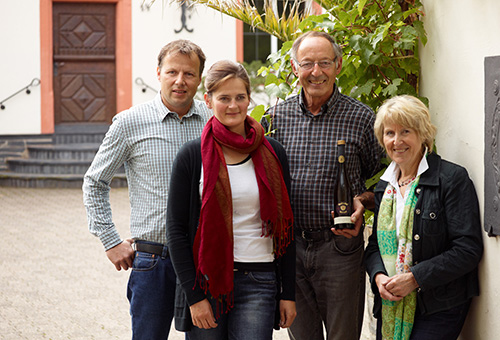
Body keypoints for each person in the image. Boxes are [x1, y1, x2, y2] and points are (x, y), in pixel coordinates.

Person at [83, 39, 211, 340]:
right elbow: (95, 182)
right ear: (158, 73)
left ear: (199, 78)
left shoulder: (212, 120)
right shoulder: (130, 122)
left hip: (203, 260)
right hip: (155, 261)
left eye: (189, 74)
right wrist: (111, 241)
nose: (180, 81)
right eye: (172, 72)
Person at [264, 30, 383, 340]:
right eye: (307, 63)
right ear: (294, 68)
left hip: (340, 249)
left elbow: (388, 181)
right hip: (291, 249)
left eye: (324, 63)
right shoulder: (275, 119)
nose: (316, 72)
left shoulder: (361, 119)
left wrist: (363, 201)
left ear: (338, 66)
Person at [166, 60, 296, 340]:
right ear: (208, 100)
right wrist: (194, 296)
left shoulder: (273, 152)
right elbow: (176, 231)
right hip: (207, 283)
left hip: (260, 280)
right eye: (224, 98)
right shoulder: (192, 156)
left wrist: (288, 293)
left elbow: (286, 228)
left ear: (250, 98)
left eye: (240, 97)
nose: (233, 106)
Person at [365, 95, 483, 340]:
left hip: (439, 304)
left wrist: (415, 279)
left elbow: (468, 249)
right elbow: (374, 246)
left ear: (423, 134)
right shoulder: (384, 189)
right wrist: (379, 278)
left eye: (405, 131)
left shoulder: (451, 179)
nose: (397, 141)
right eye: (389, 133)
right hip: (391, 305)